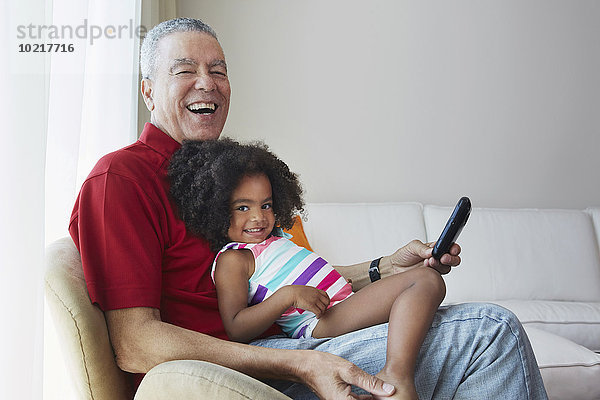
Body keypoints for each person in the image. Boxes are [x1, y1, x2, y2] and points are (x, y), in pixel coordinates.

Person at [68, 17, 548, 399]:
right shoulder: (121, 180)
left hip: (278, 344)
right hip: (231, 375)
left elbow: (285, 276)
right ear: (148, 89)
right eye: (185, 70)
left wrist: (382, 267)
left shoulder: (220, 174)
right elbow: (134, 343)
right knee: (489, 332)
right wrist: (300, 362)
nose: (207, 83)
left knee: (450, 319)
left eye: (218, 70)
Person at [168, 138, 447, 399]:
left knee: (426, 278)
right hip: (321, 322)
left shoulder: (275, 241)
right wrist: (288, 296)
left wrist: (383, 269)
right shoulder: (234, 259)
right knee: (424, 280)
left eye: (266, 205)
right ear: (215, 210)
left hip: (342, 305)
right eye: (242, 207)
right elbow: (236, 328)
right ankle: (397, 374)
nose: (258, 217)